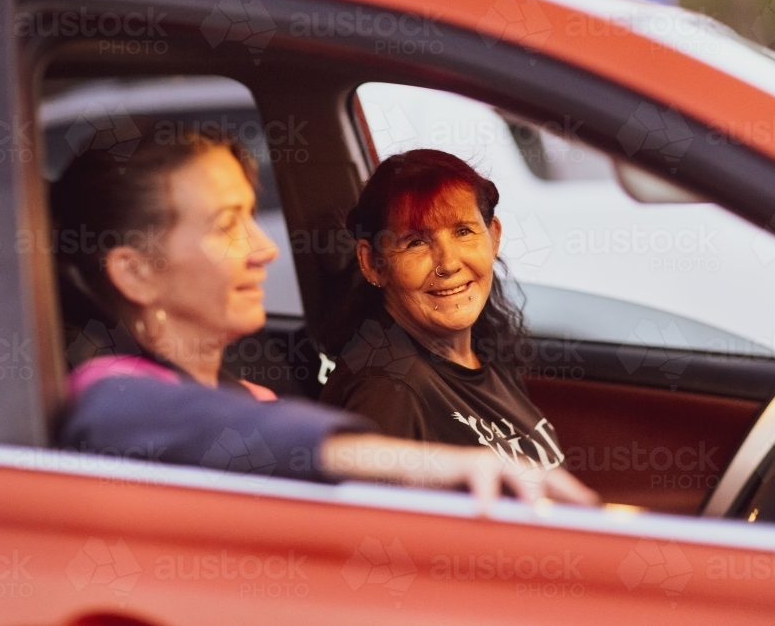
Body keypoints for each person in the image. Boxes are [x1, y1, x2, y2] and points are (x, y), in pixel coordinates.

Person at [51, 126, 597, 508]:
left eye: (251, 215)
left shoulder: (255, 401)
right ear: (136, 273)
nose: (264, 248)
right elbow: (122, 410)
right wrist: (441, 465)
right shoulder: (113, 396)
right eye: (226, 225)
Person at [319, 149, 573, 475]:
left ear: (493, 237)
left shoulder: (480, 350)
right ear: (373, 263)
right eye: (415, 242)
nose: (449, 263)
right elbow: (375, 524)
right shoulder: (388, 390)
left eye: (463, 231)